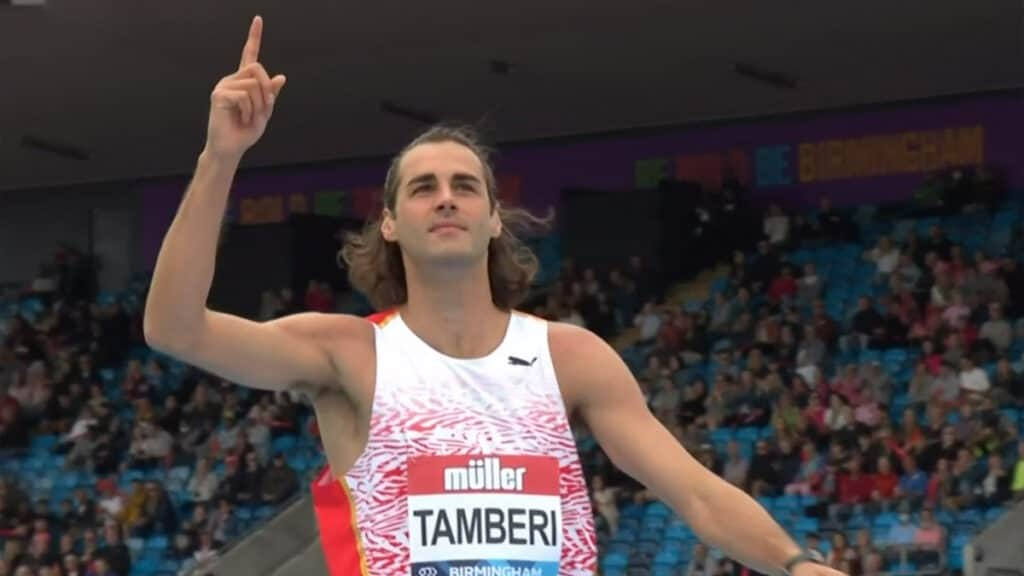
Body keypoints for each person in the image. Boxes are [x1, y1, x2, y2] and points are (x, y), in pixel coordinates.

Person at [143, 15, 848, 576]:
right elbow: (175, 330)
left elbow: (695, 491)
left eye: (465, 186)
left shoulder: (570, 357)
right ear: (389, 223)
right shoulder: (346, 352)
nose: (445, 199)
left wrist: (798, 563)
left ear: (493, 219)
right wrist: (220, 158)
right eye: (423, 187)